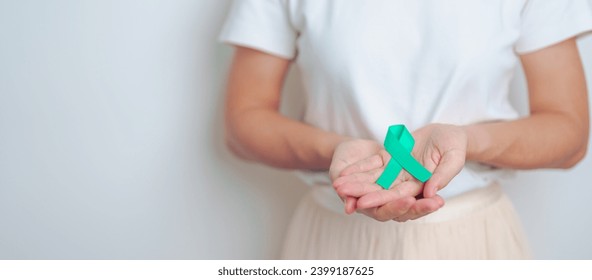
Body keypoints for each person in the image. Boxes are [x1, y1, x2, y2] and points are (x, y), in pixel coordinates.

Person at [219, 0, 592, 259]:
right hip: (336, 240)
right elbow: (244, 121)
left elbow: (568, 133)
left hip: (472, 244)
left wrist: (466, 142)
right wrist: (338, 151)